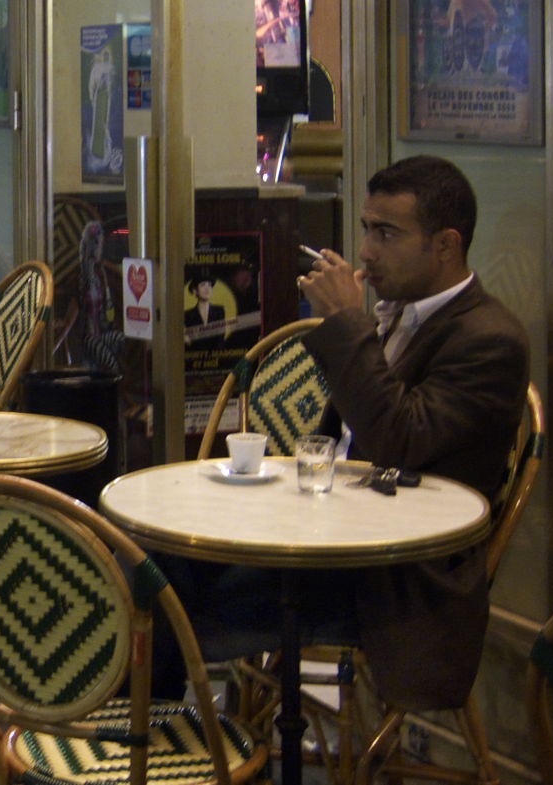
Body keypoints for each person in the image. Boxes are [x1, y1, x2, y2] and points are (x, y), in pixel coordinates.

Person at [156, 155, 528, 712]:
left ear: (446, 246)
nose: (367, 251)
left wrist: (350, 326)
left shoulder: (488, 339)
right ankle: (145, 731)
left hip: (396, 578)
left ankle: (155, 739)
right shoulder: (400, 312)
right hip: (331, 534)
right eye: (365, 229)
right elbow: (346, 441)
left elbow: (397, 441)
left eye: (387, 233)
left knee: (167, 599)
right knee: (150, 559)